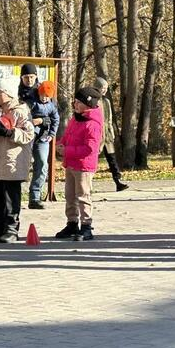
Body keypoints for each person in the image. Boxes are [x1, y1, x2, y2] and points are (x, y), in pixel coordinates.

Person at [0, 77, 35, 244]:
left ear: (9, 93)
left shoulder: (21, 111)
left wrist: (10, 133)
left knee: (11, 198)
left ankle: (11, 229)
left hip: (12, 163)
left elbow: (29, 135)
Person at [56, 85, 104, 241]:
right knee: (70, 196)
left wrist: (67, 150)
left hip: (84, 166)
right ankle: (72, 223)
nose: (75, 105)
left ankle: (86, 226)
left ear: (88, 104)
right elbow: (67, 135)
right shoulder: (75, 118)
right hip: (71, 164)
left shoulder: (93, 124)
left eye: (78, 102)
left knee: (83, 195)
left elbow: (90, 148)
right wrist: (60, 144)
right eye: (74, 102)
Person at [26, 80, 60, 210]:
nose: (45, 98)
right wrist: (36, 121)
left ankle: (35, 196)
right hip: (29, 135)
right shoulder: (32, 103)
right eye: (43, 95)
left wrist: (52, 134)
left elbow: (55, 120)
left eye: (47, 96)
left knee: (42, 164)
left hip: (43, 137)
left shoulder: (52, 106)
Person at [96, 80, 130, 191]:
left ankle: (118, 181)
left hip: (107, 134)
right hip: (97, 133)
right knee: (92, 158)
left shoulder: (106, 101)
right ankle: (86, 183)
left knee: (112, 158)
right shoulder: (93, 101)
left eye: (106, 88)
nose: (104, 90)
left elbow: (109, 118)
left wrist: (111, 132)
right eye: (102, 88)